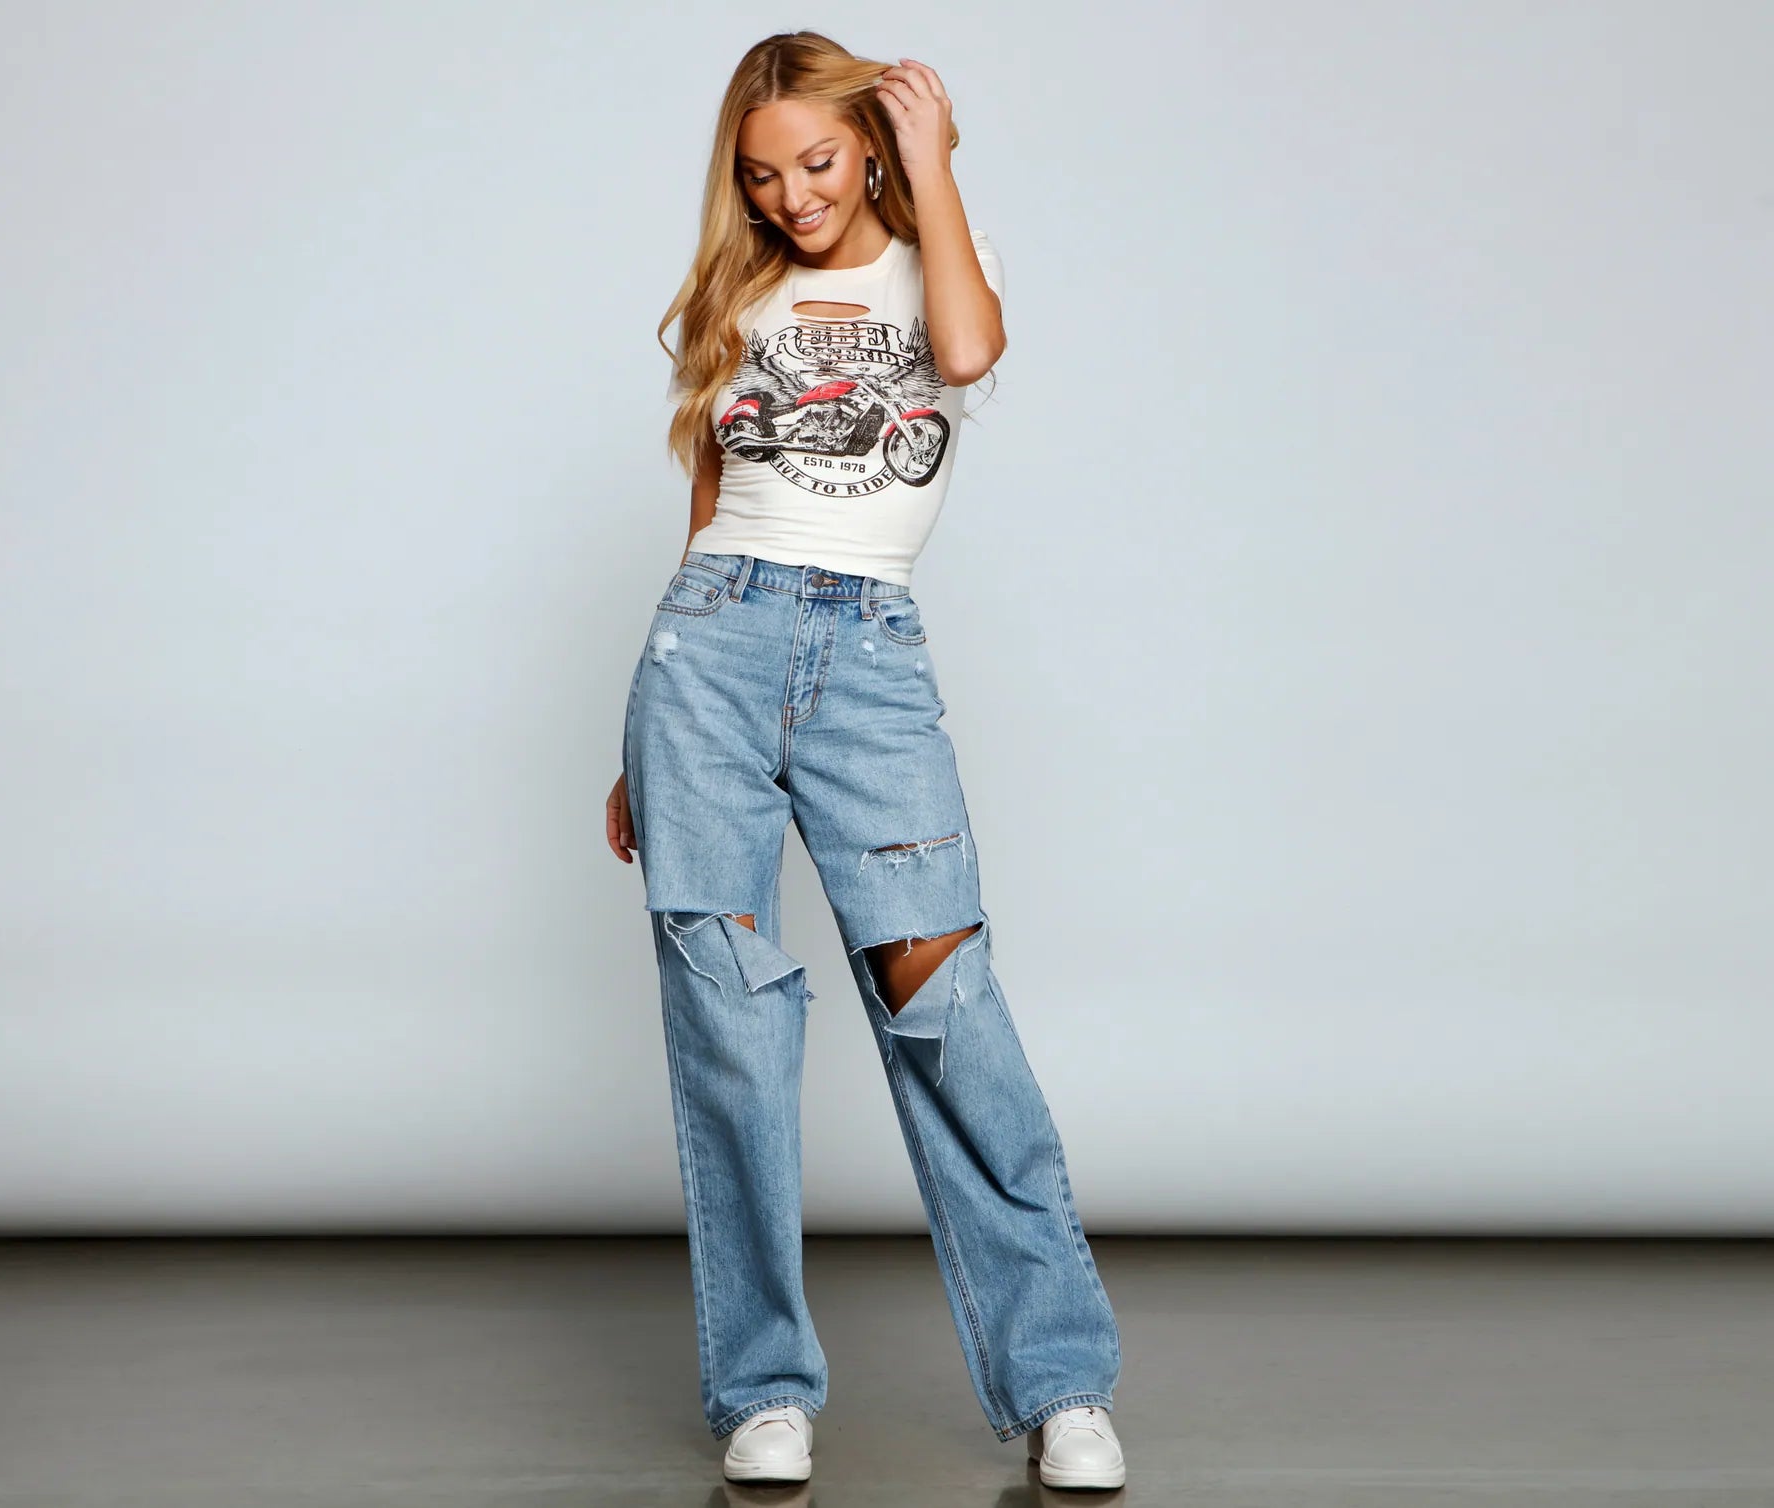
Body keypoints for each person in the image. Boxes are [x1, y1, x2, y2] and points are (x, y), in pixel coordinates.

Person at [604, 31, 1126, 1491]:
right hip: (706, 652)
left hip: (868, 653)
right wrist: (635, 742)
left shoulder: (937, 257)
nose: (793, 197)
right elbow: (708, 509)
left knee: (944, 1007)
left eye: (819, 162)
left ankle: (1060, 1383)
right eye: (762, 175)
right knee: (729, 1026)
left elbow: (966, 354)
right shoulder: (739, 294)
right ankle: (763, 1388)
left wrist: (932, 165)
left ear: (873, 149)